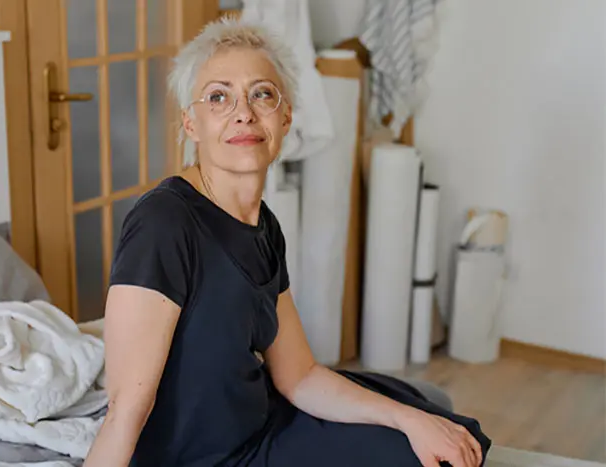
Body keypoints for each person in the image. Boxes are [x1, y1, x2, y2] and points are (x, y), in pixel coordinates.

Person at [83, 17, 491, 467]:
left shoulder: (265, 227)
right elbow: (125, 409)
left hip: (264, 429)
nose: (244, 112)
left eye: (262, 94)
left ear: (286, 116)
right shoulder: (164, 222)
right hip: (209, 461)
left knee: (453, 437)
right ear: (191, 124)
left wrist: (408, 419)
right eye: (218, 97)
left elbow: (299, 376)